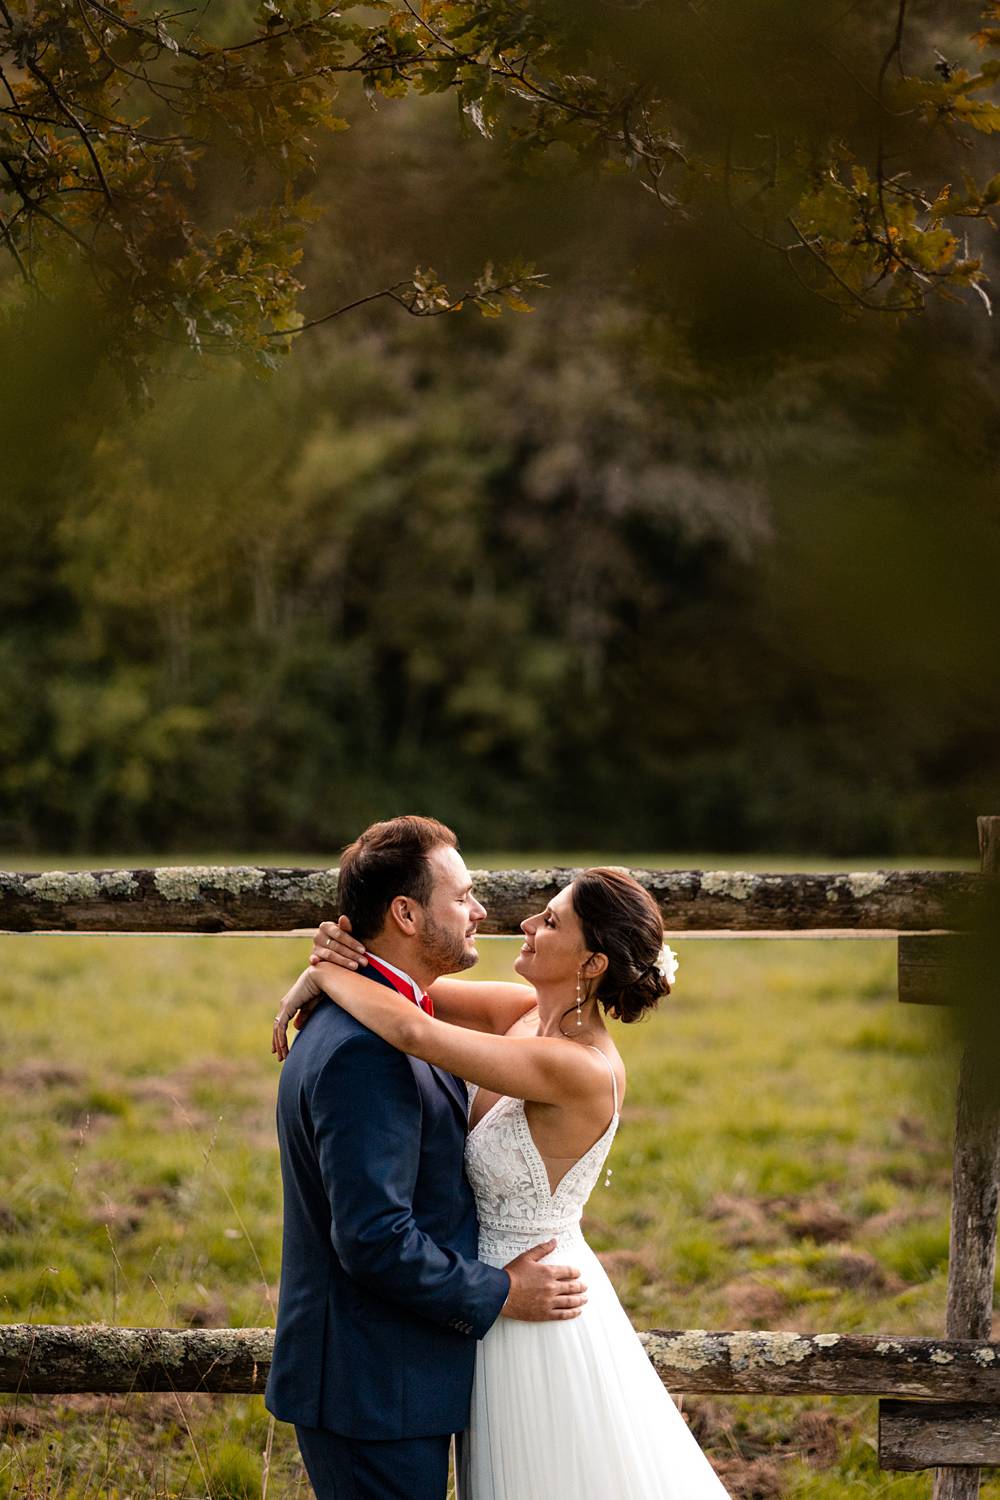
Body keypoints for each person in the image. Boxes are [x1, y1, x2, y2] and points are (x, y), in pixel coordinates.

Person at [273, 856, 732, 1500]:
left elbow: (410, 1027)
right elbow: (402, 984)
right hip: (482, 1299)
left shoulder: (578, 1068)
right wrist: (331, 965)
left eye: (550, 921)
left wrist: (317, 974)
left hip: (534, 1297)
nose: (525, 921)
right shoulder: (519, 1012)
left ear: (591, 963)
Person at [264, 815, 588, 1500]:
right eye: (463, 895)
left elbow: (424, 1020)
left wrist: (324, 968)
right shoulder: (364, 1051)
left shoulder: (399, 1017)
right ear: (406, 914)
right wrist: (503, 1291)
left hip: (400, 1376)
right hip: (371, 1387)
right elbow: (375, 1239)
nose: (481, 912)